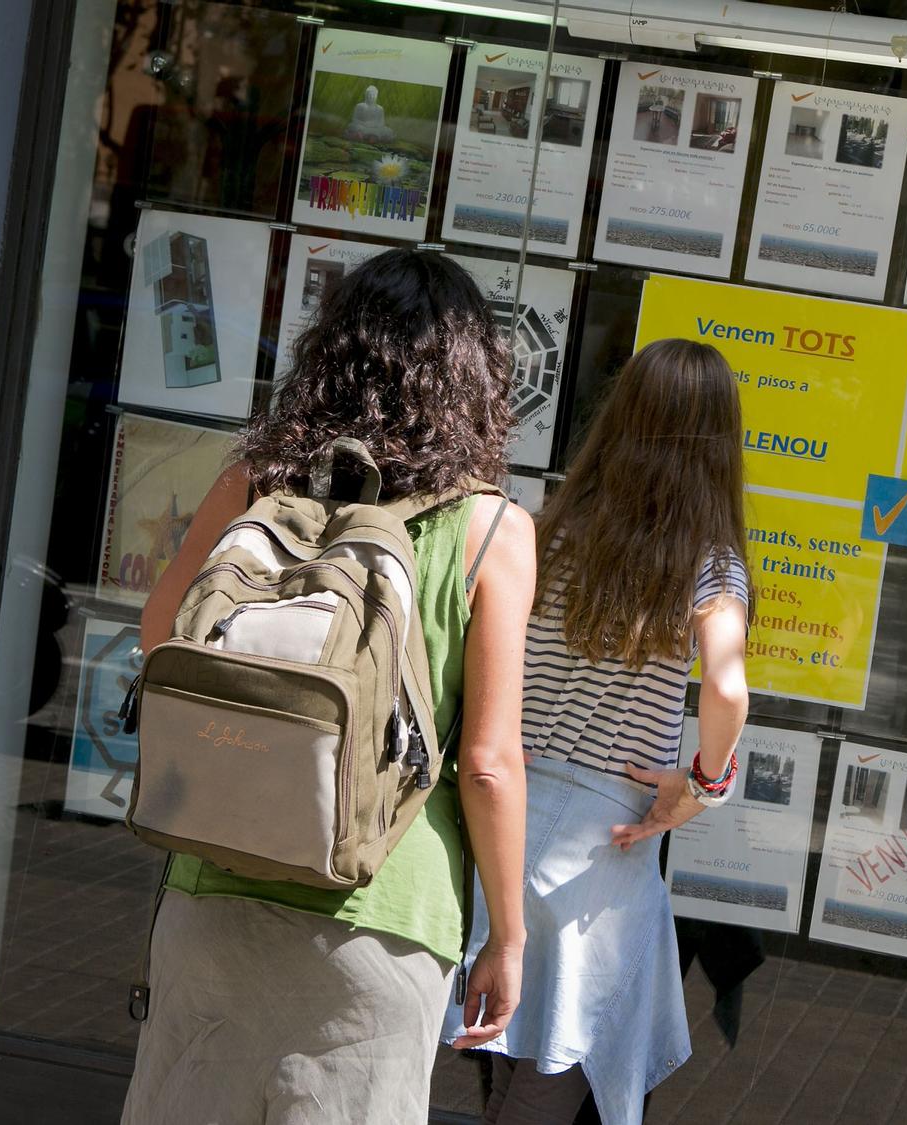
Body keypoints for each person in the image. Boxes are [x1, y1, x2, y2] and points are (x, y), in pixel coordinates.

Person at [122, 249, 536, 1123]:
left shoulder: (257, 484)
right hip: (383, 916)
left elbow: (162, 637)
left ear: (329, 354)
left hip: (214, 889)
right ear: (471, 379)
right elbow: (490, 764)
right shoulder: (493, 529)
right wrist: (509, 933)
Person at [452, 338, 752, 1125]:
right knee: (541, 1092)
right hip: (600, 858)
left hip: (501, 822)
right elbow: (725, 683)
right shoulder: (709, 564)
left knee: (497, 1066)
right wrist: (703, 786)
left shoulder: (548, 528)